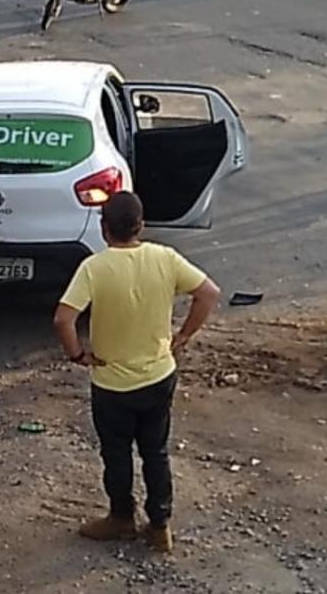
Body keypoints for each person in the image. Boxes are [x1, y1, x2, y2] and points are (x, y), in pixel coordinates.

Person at [53, 192, 221, 553]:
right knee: (155, 452)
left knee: (116, 453)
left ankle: (120, 518)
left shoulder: (94, 268)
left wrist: (78, 355)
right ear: (141, 225)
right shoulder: (165, 258)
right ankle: (160, 526)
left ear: (103, 227)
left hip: (112, 384)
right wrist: (183, 335)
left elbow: (63, 318)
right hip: (159, 376)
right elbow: (208, 293)